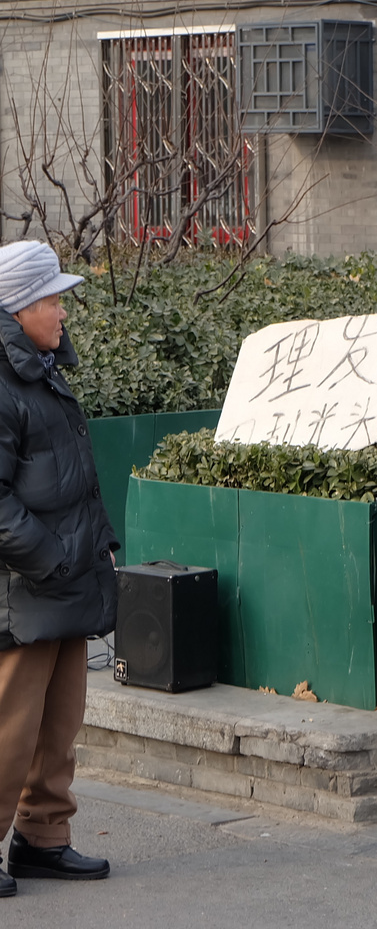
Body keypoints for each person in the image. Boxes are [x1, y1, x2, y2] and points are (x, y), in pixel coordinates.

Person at [0, 240, 117, 898]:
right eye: (51, 300)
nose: (62, 312)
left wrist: (92, 549)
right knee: (9, 731)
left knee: (58, 723)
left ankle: (42, 840)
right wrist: (51, 560)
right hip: (26, 587)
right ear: (17, 309)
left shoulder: (39, 370)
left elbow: (68, 480)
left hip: (66, 578)